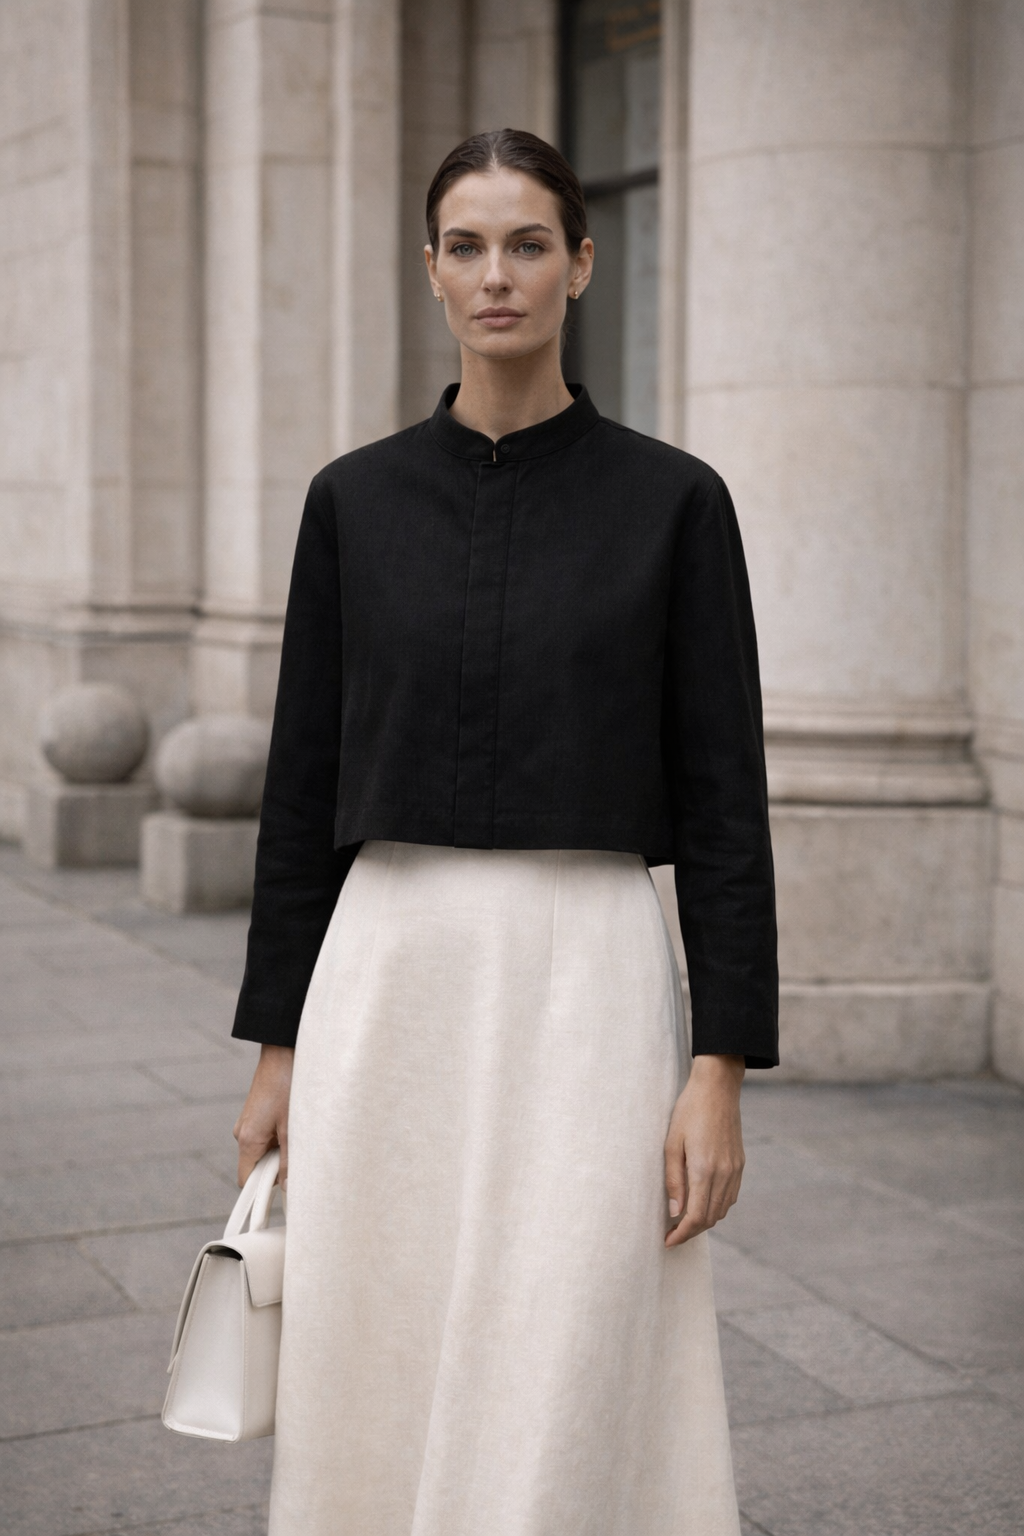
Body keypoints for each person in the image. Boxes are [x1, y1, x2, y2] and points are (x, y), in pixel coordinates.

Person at [232, 127, 778, 1536]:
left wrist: (717, 1063)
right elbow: (301, 795)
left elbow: (725, 802)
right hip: (390, 974)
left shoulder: (676, 504)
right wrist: (279, 1045)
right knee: (386, 1321)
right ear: (430, 271)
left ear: (583, 264)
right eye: (467, 247)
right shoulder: (351, 504)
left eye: (529, 243)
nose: (498, 275)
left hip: (587, 977)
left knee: (569, 1326)